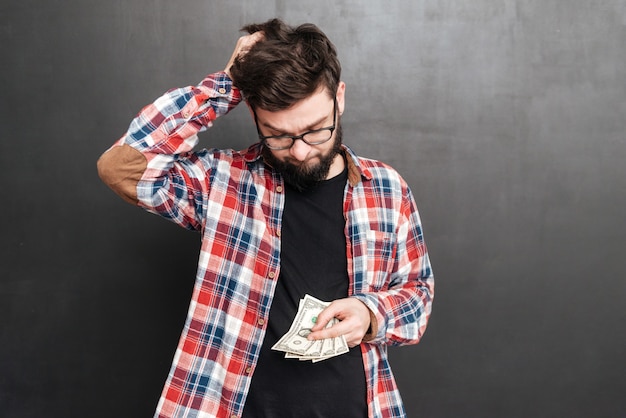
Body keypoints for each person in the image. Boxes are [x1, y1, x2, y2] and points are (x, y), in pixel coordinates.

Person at [98, 18, 434, 418]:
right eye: (278, 135)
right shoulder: (221, 181)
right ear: (255, 114)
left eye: (315, 131)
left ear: (339, 99)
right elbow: (122, 167)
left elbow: (418, 293)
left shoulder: (387, 188)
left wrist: (370, 313)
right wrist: (226, 85)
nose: (300, 151)